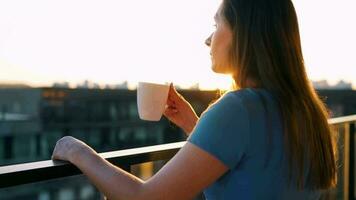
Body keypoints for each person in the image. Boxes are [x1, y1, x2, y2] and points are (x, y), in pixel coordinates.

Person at [52, 0, 337, 199]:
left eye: (216, 24)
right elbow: (257, 164)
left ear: (244, 33)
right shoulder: (306, 112)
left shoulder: (238, 109)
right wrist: (195, 126)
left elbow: (144, 198)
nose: (208, 39)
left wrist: (75, 150)